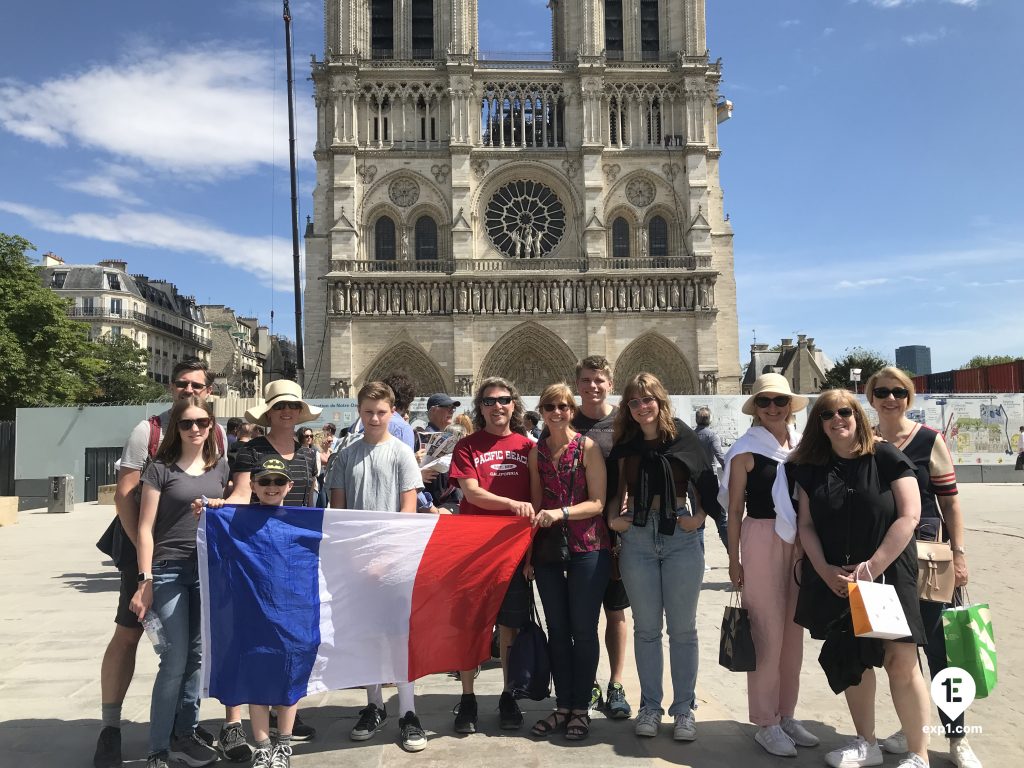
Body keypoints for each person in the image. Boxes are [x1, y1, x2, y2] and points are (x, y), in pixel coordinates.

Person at [95, 359, 236, 768]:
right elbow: (126, 496)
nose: (189, 391)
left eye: (197, 386)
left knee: (191, 652)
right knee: (129, 634)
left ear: (208, 393)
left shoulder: (219, 438)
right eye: (182, 384)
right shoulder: (148, 431)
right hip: (148, 552)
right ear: (172, 387)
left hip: (196, 561)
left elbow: (223, 491)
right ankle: (111, 727)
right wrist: (144, 566)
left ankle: (181, 730)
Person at [788, 389, 931, 768]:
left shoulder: (884, 456)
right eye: (828, 414)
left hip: (886, 575)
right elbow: (805, 524)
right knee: (853, 660)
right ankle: (866, 743)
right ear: (818, 423)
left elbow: (909, 516)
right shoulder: (811, 467)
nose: (838, 419)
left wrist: (872, 567)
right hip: (839, 578)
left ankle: (918, 753)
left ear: (857, 415)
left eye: (846, 411)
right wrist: (822, 569)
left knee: (901, 660)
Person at [867, 368, 981, 768]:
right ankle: (911, 728)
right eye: (882, 391)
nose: (890, 398)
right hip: (882, 561)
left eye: (898, 391)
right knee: (899, 655)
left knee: (940, 652)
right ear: (871, 396)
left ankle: (957, 737)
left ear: (909, 396)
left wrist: (960, 553)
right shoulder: (866, 440)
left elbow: (950, 502)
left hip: (928, 558)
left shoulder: (930, 440)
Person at [606, 373, 714, 742]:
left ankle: (684, 710)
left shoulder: (682, 435)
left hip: (680, 536)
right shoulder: (627, 441)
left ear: (660, 400)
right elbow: (614, 484)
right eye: (634, 402)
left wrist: (698, 518)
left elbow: (706, 480)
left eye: (648, 399)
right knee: (647, 630)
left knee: (683, 630)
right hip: (637, 535)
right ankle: (650, 707)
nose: (642, 407)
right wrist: (612, 520)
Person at [719, 373, 817, 756]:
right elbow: (734, 508)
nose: (773, 408)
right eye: (765, 402)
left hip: (798, 540)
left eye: (779, 401)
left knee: (794, 631)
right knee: (765, 630)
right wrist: (732, 558)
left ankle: (786, 713)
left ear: (790, 405)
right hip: (760, 536)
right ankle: (765, 720)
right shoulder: (745, 450)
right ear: (755, 409)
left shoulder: (801, 446)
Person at [327, 381, 427, 752]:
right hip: (357, 559)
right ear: (359, 411)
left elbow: (408, 510)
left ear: (392, 412)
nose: (373, 418)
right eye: (368, 411)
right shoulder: (345, 456)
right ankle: (374, 705)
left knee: (399, 635)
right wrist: (355, 557)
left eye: (381, 412)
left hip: (393, 558)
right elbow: (338, 510)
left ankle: (409, 712)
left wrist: (385, 557)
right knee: (366, 634)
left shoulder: (401, 453)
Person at [130, 397, 229, 768]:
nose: (195, 429)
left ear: (211, 425)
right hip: (169, 569)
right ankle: (157, 748)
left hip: (206, 570)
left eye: (202, 422)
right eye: (187, 424)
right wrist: (145, 580)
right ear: (177, 429)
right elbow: (144, 528)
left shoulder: (220, 467)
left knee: (198, 657)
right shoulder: (160, 468)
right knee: (173, 659)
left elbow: (237, 500)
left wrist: (222, 506)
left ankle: (185, 733)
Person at [227, 380, 322, 742]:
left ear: (299, 413)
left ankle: (285, 711)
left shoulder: (307, 454)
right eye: (280, 406)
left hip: (294, 555)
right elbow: (239, 493)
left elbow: (308, 504)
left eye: (293, 407)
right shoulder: (250, 450)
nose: (287, 412)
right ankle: (246, 721)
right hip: (257, 552)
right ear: (268, 412)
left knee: (293, 637)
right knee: (257, 634)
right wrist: (215, 510)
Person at [196, 458, 303, 767]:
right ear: (252, 486)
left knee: (288, 682)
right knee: (257, 682)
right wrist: (211, 513)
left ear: (289, 487)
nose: (271, 488)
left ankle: (284, 745)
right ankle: (263, 746)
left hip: (290, 616)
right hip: (253, 616)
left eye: (278, 482)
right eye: (265, 482)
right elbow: (214, 544)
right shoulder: (236, 518)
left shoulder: (302, 521)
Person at [448, 377, 536, 733]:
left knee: (509, 629)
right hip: (473, 548)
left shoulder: (530, 447)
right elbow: (472, 493)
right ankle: (468, 698)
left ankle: (507, 695)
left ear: (514, 405)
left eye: (503, 400)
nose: (497, 406)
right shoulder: (468, 446)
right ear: (479, 407)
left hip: (513, 551)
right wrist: (513, 505)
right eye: (488, 401)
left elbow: (539, 498)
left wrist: (530, 556)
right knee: (470, 626)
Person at [526, 383, 609, 741]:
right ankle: (563, 706)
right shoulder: (536, 453)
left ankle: (581, 708)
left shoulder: (587, 448)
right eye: (549, 407)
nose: (556, 412)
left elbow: (598, 504)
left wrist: (561, 513)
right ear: (542, 412)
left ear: (571, 410)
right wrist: (528, 557)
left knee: (583, 630)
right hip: (547, 552)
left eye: (562, 406)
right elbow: (533, 504)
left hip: (588, 548)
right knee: (557, 630)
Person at [570, 356, 633, 719]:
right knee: (584, 615)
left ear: (611, 383)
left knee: (616, 611)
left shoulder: (624, 422)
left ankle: (617, 683)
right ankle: (591, 681)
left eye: (599, 380)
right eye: (586, 380)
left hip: (617, 533)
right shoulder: (564, 419)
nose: (593, 386)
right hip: (579, 533)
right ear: (577, 384)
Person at [418, 393, 463, 513]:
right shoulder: (419, 438)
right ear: (433, 410)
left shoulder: (449, 437)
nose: (451, 411)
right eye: (447, 408)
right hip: (431, 507)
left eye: (453, 408)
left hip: (447, 504)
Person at [694, 406, 729, 550]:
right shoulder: (712, 436)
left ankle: (700, 559)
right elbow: (720, 456)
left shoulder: (690, 435)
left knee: (698, 522)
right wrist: (731, 471)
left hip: (694, 481)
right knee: (721, 518)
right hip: (710, 480)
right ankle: (731, 551)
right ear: (710, 419)